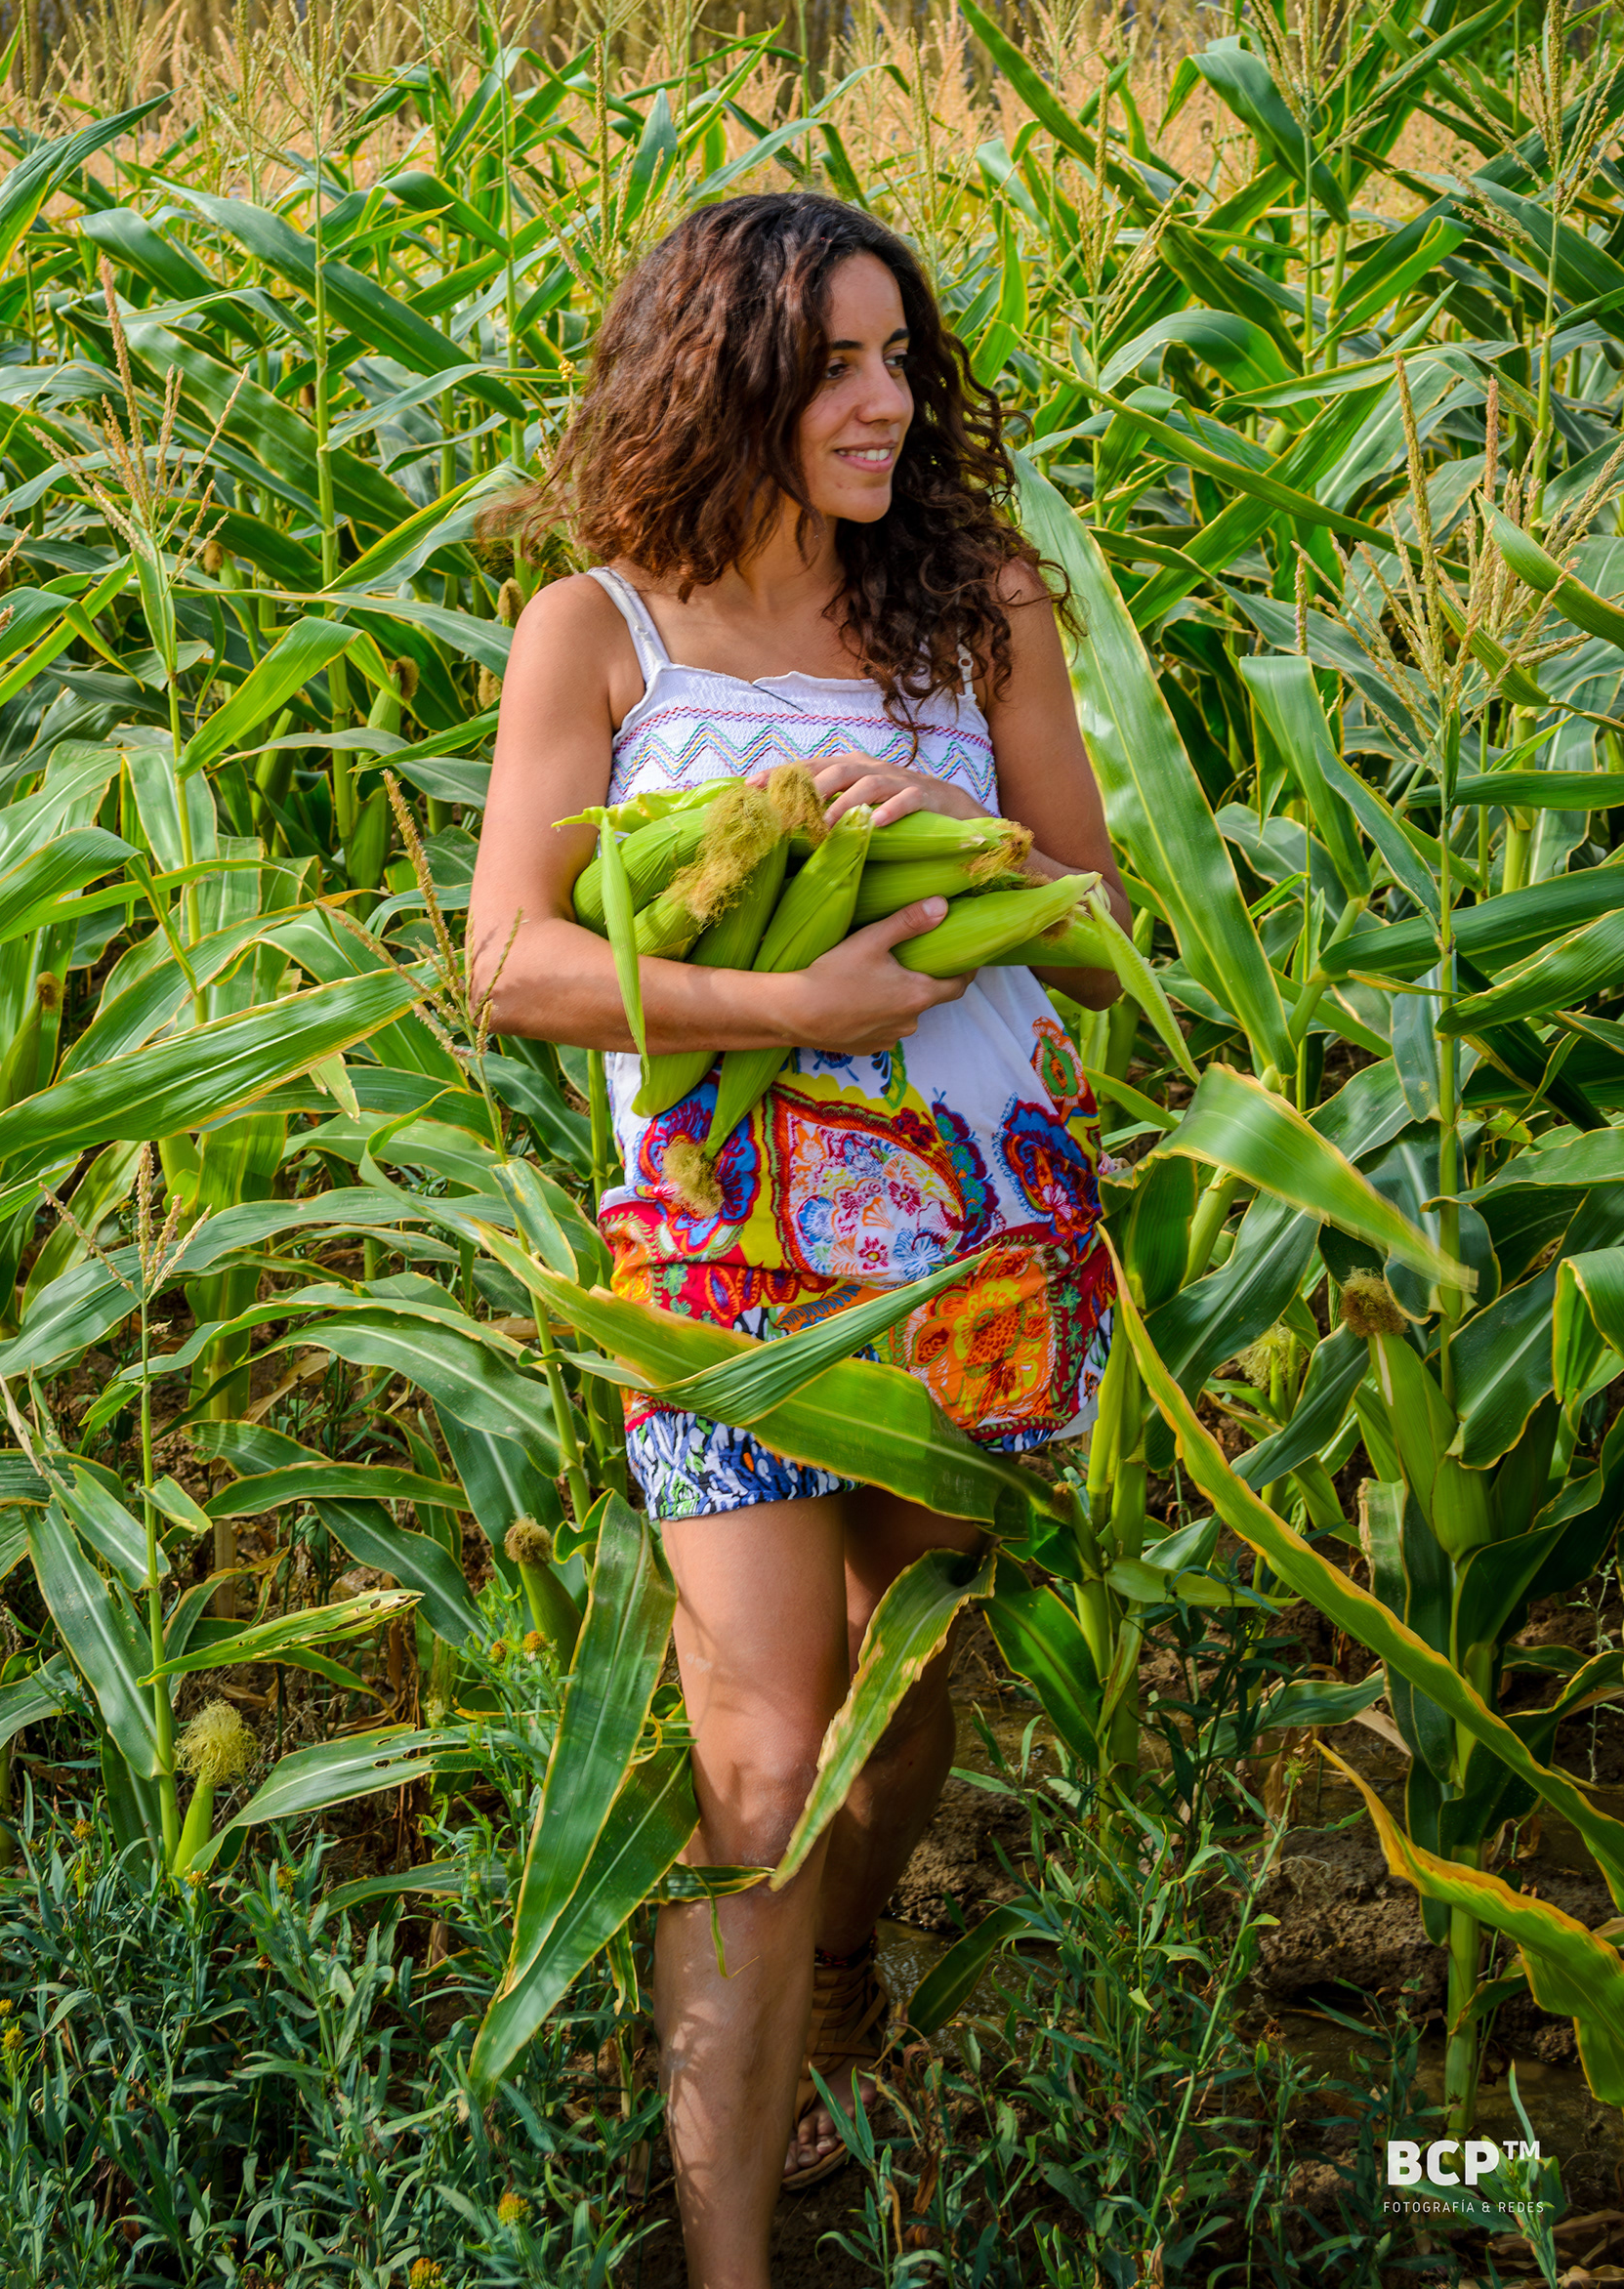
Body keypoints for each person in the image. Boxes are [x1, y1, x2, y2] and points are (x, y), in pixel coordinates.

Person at [469, 191, 1128, 2289]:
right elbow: (513, 964)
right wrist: (794, 995)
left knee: (901, 1705)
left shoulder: (977, 611)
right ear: (724, 375)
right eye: (834, 363)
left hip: (981, 1255)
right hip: (724, 1270)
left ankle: (840, 1973)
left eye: (899, 361)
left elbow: (1102, 945)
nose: (884, 401)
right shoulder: (602, 632)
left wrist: (961, 858)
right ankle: (731, 2258)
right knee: (763, 1755)